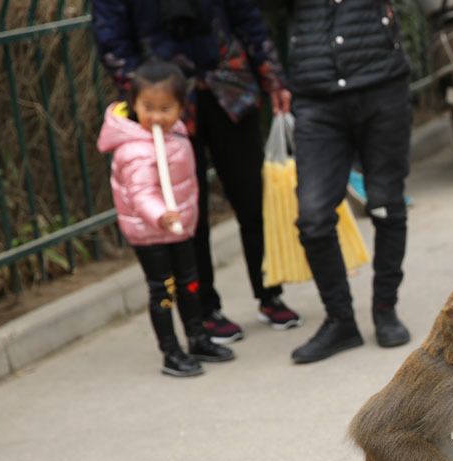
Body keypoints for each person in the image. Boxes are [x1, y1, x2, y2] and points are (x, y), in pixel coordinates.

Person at [93, 0, 302, 345]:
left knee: (252, 197)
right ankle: (205, 309)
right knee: (188, 211)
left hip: (228, 86)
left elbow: (246, 17)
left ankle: (270, 293)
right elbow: (112, 41)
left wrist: (273, 78)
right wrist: (149, 94)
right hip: (164, 103)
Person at [280, 0, 414, 364]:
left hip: (381, 83)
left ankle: (385, 309)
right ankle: (340, 321)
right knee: (313, 216)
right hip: (316, 96)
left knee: (386, 203)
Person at [96, 59, 235, 377]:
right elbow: (140, 193)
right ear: (134, 105)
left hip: (179, 227)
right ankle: (171, 351)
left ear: (180, 108)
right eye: (149, 107)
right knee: (163, 290)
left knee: (191, 284)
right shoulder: (134, 149)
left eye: (166, 108)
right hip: (151, 232)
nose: (157, 117)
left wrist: (182, 217)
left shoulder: (177, 134)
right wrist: (161, 215)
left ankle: (197, 337)